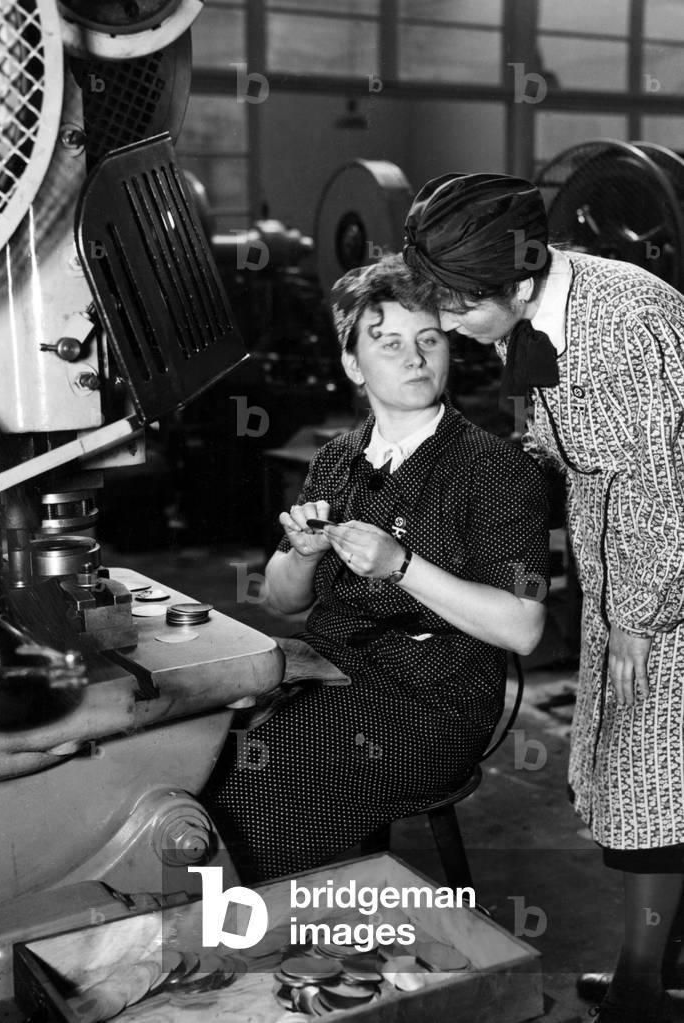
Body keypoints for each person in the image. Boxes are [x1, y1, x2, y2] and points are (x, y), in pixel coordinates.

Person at [403, 172, 684, 1023]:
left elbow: (661, 486)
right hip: (623, 566)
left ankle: (641, 990)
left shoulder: (622, 321)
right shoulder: (537, 312)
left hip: (664, 576)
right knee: (635, 776)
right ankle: (655, 971)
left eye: (461, 307)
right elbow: (577, 441)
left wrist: (637, 617)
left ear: (518, 282)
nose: (451, 324)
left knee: (650, 785)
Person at [203, 253, 548, 884]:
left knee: (254, 789)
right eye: (389, 343)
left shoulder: (496, 468)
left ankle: (248, 920)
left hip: (437, 700)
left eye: (429, 340)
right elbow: (282, 602)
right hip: (332, 663)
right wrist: (303, 555)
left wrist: (400, 565)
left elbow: (523, 628)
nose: (415, 359)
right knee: (194, 751)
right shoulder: (338, 457)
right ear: (353, 364)